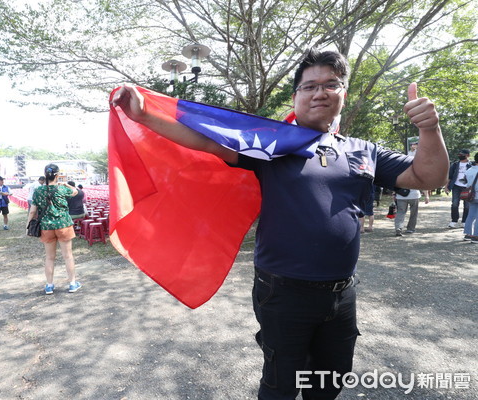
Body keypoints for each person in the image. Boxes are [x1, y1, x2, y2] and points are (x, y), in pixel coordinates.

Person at [112, 49, 449, 399]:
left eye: (330, 84)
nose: (320, 92)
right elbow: (208, 140)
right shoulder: (272, 144)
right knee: (281, 382)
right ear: (296, 97)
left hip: (342, 294)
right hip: (284, 292)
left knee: (329, 382)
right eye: (309, 86)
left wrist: (429, 127)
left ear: (343, 94)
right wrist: (145, 115)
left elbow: (429, 176)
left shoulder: (364, 151)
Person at [27, 164, 80, 295]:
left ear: (45, 175)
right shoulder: (61, 189)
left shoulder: (38, 190)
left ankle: (49, 286)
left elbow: (32, 211)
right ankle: (72, 284)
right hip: (63, 225)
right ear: (57, 175)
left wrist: (28, 225)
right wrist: (66, 184)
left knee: (50, 258)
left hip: (46, 227)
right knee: (68, 256)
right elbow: (76, 191)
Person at [445, 149, 474, 228]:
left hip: (467, 187)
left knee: (467, 205)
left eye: (462, 154)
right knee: (454, 204)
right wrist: (446, 186)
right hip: (456, 187)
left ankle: (465, 221)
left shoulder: (472, 165)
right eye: (460, 154)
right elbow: (450, 177)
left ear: (468, 155)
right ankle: (454, 221)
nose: (460, 155)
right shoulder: (454, 165)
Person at [462, 163, 478, 243]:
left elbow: (464, 182)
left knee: (471, 215)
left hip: (471, 195)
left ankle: (468, 234)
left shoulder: (469, 170)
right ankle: (476, 236)